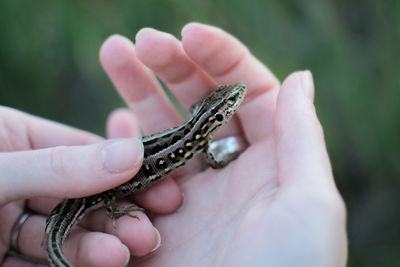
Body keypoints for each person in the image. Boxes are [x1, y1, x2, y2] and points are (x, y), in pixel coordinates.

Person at [0, 23, 347, 267]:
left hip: (123, 176)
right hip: (103, 191)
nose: (237, 100)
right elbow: (211, 160)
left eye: (232, 101)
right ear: (216, 118)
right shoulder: (200, 142)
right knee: (108, 194)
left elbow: (199, 115)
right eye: (229, 103)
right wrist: (225, 160)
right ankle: (105, 212)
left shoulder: (195, 130)